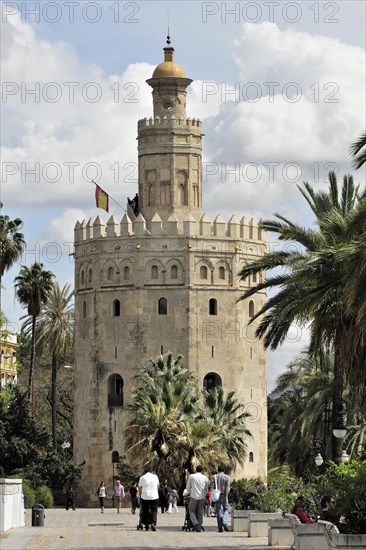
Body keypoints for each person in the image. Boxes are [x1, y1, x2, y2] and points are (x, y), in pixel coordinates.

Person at [186, 464, 209, 532]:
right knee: (200, 512)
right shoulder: (205, 478)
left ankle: (195, 522)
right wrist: (204, 495)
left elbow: (188, 486)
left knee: (191, 511)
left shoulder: (192, 476)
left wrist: (189, 493)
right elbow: (206, 488)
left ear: (196, 470)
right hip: (202, 497)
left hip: (193, 496)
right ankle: (199, 526)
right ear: (202, 470)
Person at [211, 465, 231, 532]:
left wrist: (212, 495)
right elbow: (228, 487)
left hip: (217, 495)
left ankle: (220, 528)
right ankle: (225, 522)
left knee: (218, 510)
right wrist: (226, 495)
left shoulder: (214, 477)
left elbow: (212, 487)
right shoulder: (227, 477)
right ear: (224, 470)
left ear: (218, 470)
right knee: (226, 509)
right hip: (224, 495)